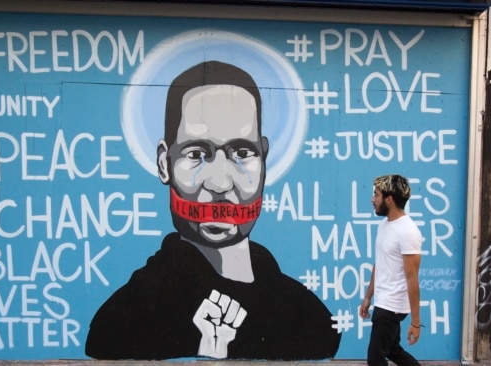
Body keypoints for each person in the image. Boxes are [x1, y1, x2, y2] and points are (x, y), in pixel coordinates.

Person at [85, 61, 341, 360]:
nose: (220, 183)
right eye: (196, 154)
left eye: (242, 153)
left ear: (264, 160)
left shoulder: (308, 316)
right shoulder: (125, 318)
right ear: (163, 163)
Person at [359, 174, 423, 366]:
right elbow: (380, 264)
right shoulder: (385, 225)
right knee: (392, 350)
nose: (372, 199)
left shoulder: (408, 231)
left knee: (375, 358)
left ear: (389, 199)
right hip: (383, 300)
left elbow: (412, 278)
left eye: (376, 195)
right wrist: (368, 297)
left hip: (392, 306)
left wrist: (415, 323)